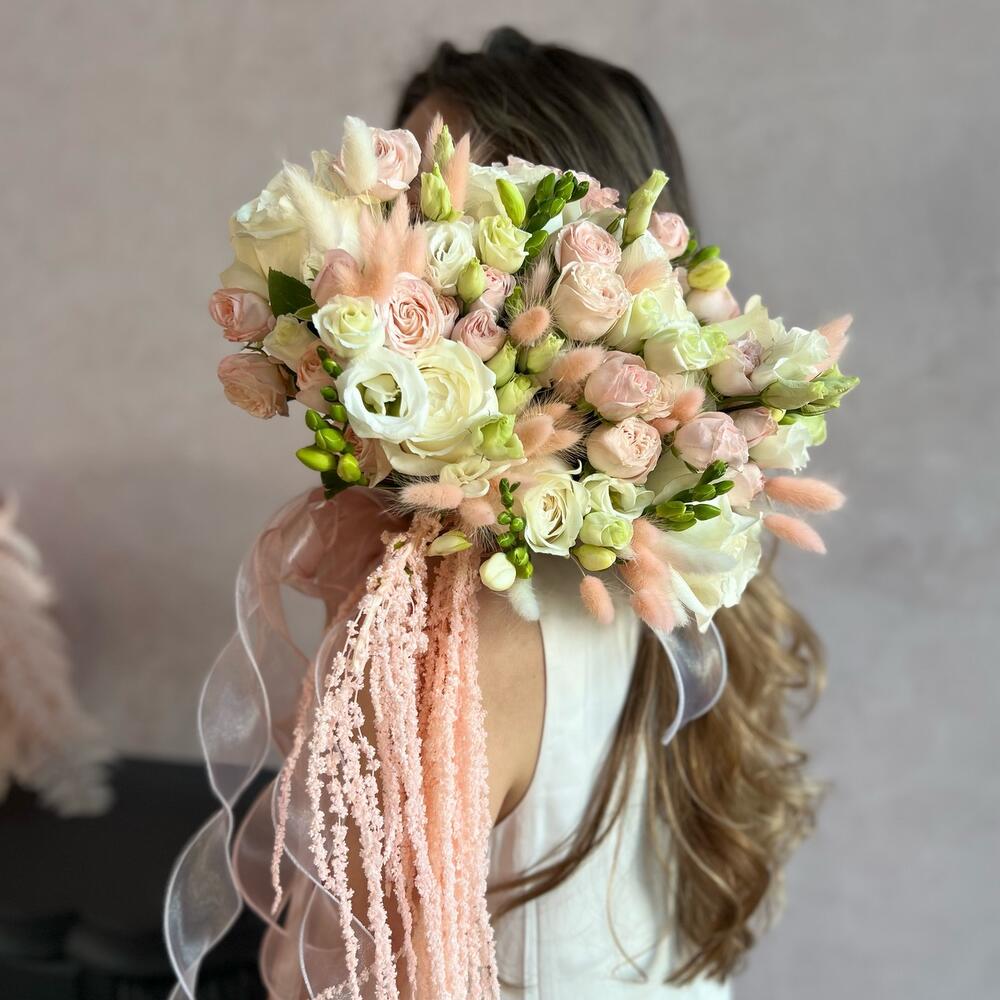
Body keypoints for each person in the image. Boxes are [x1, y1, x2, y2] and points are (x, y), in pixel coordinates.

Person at [390, 27, 824, 998]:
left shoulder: (470, 627)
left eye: (456, 223)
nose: (399, 270)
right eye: (395, 214)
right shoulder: (698, 550)